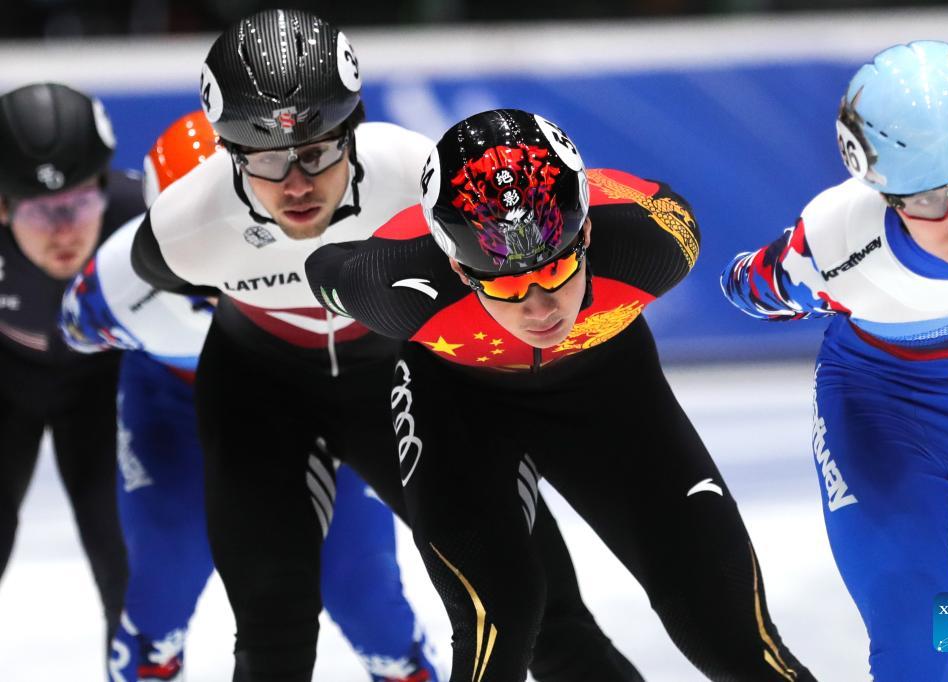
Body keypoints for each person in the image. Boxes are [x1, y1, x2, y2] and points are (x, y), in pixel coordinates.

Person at [130, 10, 643, 682]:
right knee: (272, 624)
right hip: (259, 395)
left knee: (543, 612)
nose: (295, 183)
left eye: (317, 152)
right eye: (266, 160)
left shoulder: (414, 176)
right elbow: (123, 298)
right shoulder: (182, 227)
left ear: (354, 128)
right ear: (228, 151)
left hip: (401, 382)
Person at [305, 108, 816, 682]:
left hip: (608, 395)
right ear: (457, 266)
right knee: (501, 623)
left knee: (733, 640)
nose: (540, 308)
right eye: (507, 284)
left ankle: (938, 626)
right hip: (459, 408)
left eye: (555, 270)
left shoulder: (654, 242)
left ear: (588, 232)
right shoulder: (394, 287)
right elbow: (320, 265)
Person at [62, 110, 440, 682]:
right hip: (175, 415)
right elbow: (71, 330)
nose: (233, 249)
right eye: (205, 232)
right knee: (159, 599)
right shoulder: (119, 284)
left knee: (370, 606)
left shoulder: (340, 239)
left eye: (246, 225)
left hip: (310, 406)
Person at [720, 41, 948, 681]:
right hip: (884, 414)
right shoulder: (836, 240)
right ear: (886, 196)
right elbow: (745, 286)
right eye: (928, 199)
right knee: (923, 631)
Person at [0, 82, 138, 658]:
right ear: (2, 205)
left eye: (79, 203)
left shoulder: (144, 221)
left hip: (103, 388)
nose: (64, 229)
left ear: (104, 186)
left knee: (127, 567)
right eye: (41, 210)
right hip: (6, 385)